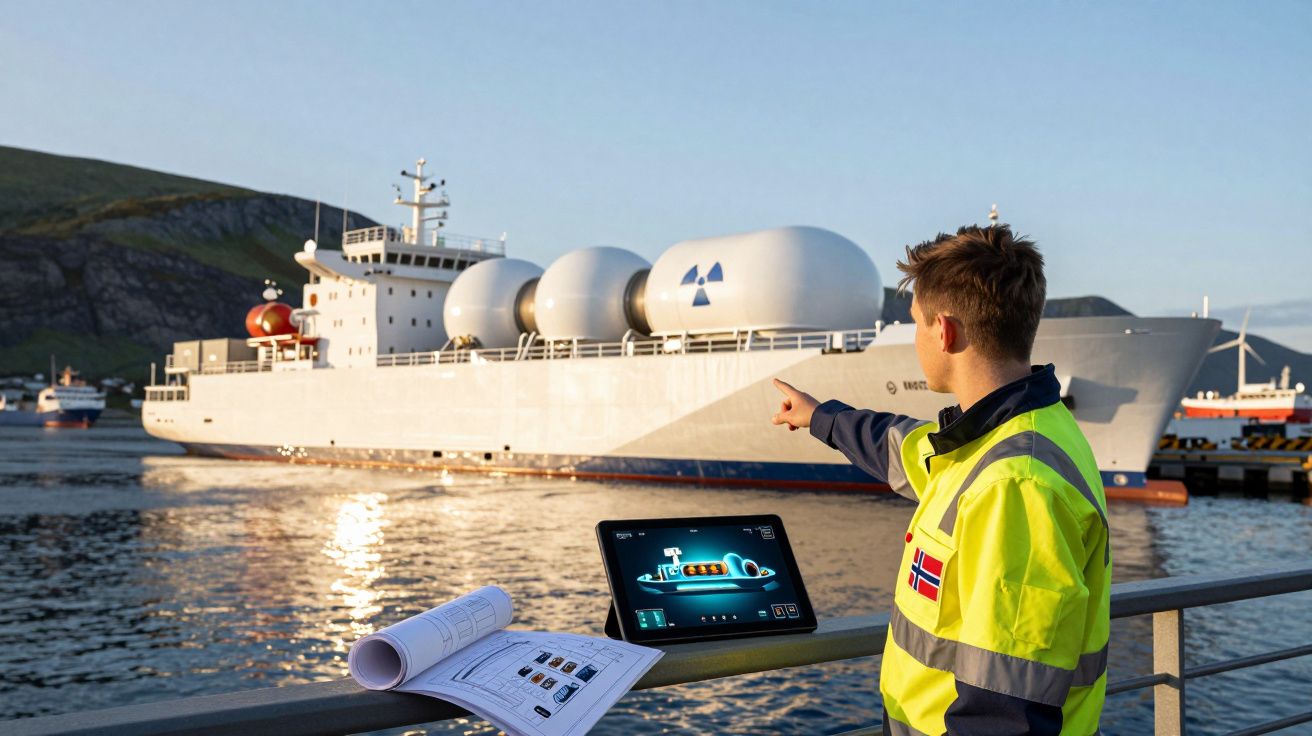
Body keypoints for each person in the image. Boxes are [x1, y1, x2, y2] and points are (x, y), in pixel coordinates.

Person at [771, 224, 1109, 736]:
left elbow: (1004, 712)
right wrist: (821, 418)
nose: (915, 339)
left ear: (945, 332)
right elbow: (905, 448)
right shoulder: (1000, 439)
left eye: (916, 324)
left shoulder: (1015, 485)